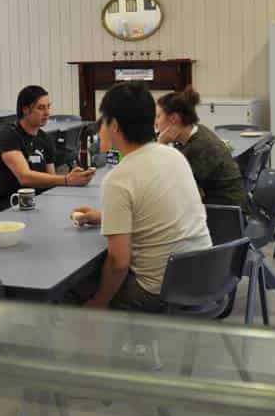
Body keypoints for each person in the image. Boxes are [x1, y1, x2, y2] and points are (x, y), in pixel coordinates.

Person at [70, 82, 213, 312]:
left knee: (74, 291)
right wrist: (105, 217)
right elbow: (158, 208)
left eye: (103, 120)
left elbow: (119, 263)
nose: (99, 128)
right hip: (205, 277)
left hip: (161, 293)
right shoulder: (173, 155)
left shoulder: (118, 179)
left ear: (114, 125)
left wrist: (99, 302)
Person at [0, 85, 94, 203]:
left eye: (48, 107)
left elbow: (52, 178)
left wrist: (74, 178)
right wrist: (66, 179)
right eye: (41, 108)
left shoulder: (44, 138)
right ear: (25, 109)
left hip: (38, 201)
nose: (47, 113)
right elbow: (25, 177)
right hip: (10, 204)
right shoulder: (7, 135)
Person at [155, 86, 248, 212]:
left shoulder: (199, 148)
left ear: (173, 119)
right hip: (225, 207)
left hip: (228, 215)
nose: (156, 123)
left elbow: (169, 188)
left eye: (158, 116)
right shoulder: (199, 131)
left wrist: (161, 143)